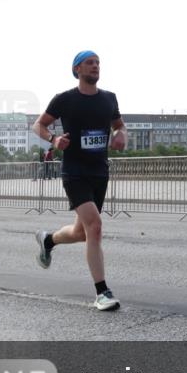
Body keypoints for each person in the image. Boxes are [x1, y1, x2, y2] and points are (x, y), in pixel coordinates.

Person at [31, 50, 127, 311]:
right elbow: (38, 126)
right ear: (77, 70)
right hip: (74, 172)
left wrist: (121, 135)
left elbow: (119, 125)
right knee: (95, 226)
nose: (95, 66)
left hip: (99, 172)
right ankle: (102, 292)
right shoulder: (64, 99)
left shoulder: (109, 99)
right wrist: (54, 140)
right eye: (89, 63)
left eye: (98, 63)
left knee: (81, 232)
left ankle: (48, 240)